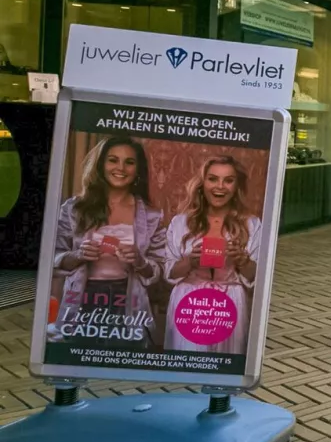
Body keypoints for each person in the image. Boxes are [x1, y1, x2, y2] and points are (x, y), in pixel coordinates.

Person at [51, 135, 164, 347]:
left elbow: (158, 271)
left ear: (138, 170)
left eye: (129, 162)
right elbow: (53, 258)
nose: (120, 167)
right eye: (113, 160)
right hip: (83, 298)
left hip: (128, 299)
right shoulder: (74, 209)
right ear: (101, 164)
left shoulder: (151, 216)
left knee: (125, 362)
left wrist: (140, 261)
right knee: (77, 359)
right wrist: (77, 256)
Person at [163, 156, 261, 355]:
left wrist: (243, 261)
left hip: (230, 301)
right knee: (187, 364)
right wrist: (189, 261)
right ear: (202, 183)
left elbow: (256, 276)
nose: (220, 187)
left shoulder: (251, 224)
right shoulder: (180, 223)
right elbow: (170, 273)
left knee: (225, 366)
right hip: (189, 302)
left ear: (236, 186)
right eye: (213, 179)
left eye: (228, 180)